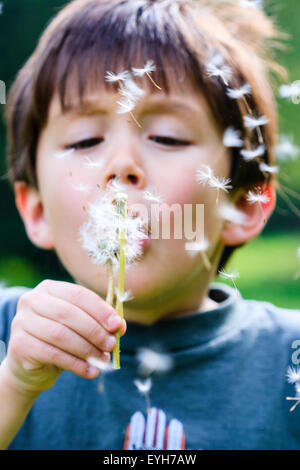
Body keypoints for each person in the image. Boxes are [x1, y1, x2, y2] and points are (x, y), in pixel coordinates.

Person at [0, 0, 300, 450]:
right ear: (36, 210)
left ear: (243, 205)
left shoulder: (289, 360)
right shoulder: (6, 337)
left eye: (167, 137)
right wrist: (14, 385)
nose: (121, 166)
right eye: (84, 141)